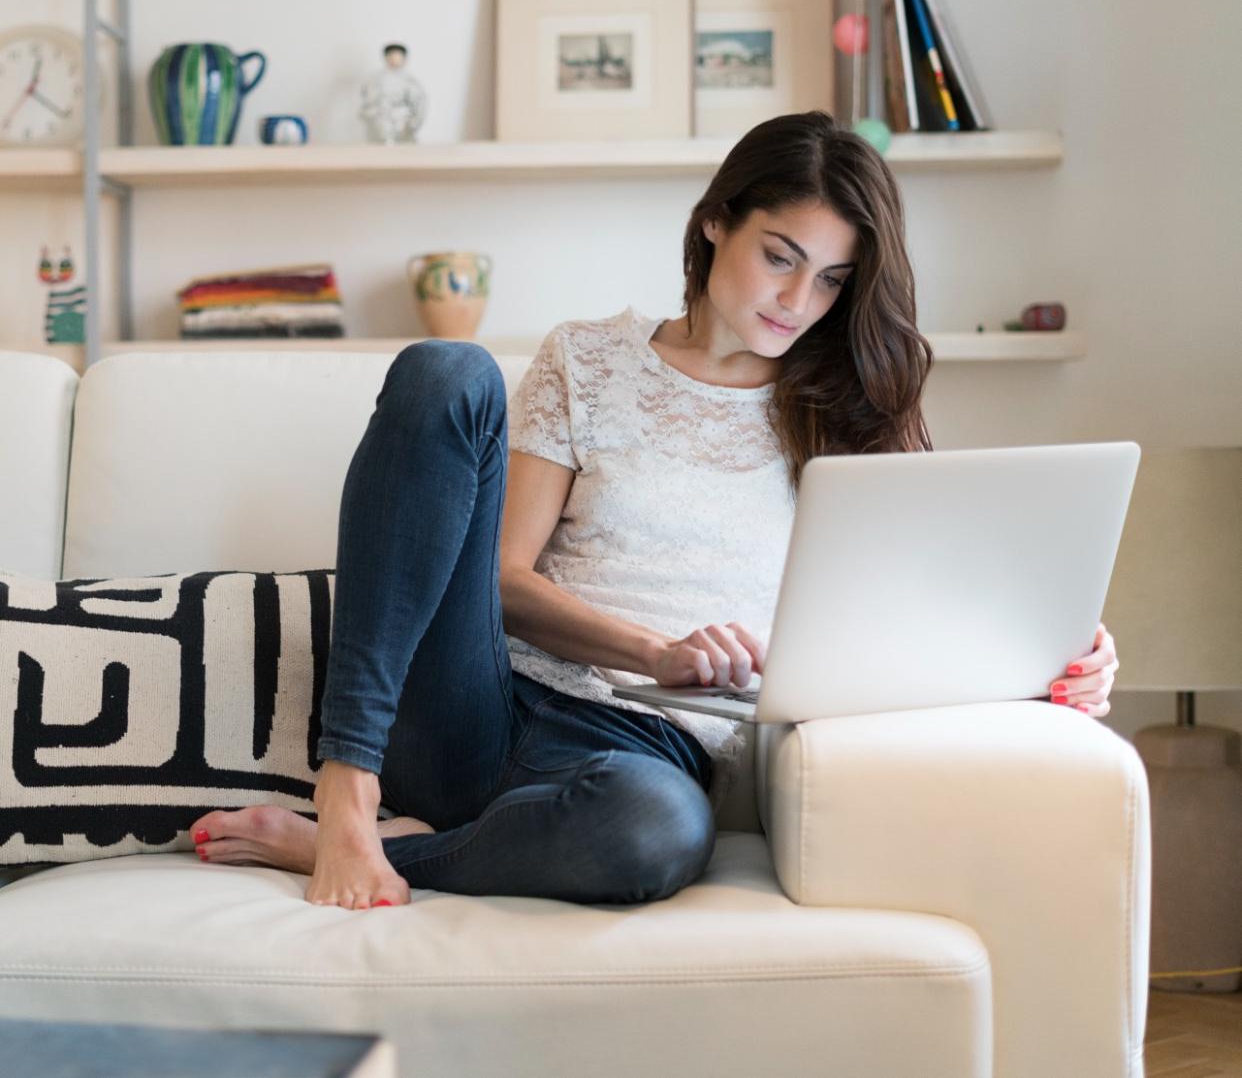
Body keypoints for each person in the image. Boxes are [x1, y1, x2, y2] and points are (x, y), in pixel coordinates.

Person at [189, 110, 1120, 909]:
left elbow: (924, 614)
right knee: (447, 371)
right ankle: (348, 792)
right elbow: (504, 581)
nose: (799, 300)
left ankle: (369, 851)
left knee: (660, 836)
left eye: (832, 280)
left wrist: (1054, 655)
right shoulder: (586, 358)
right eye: (781, 257)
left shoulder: (855, 413)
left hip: (645, 754)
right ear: (718, 221)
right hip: (479, 703)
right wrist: (654, 651)